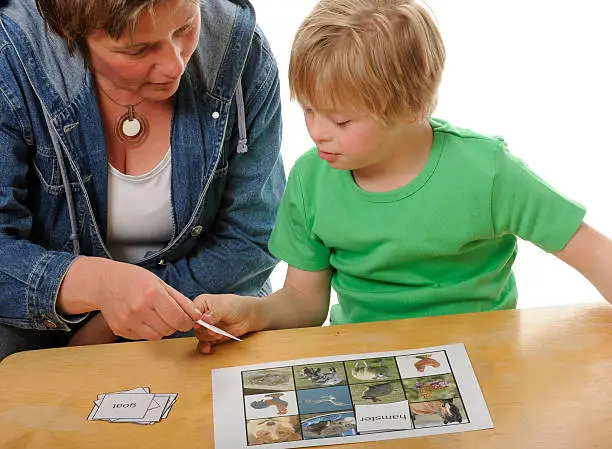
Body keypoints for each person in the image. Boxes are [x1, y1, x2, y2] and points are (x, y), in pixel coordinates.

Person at [194, 0, 612, 354]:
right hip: (371, 371)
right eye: (308, 109)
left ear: (412, 108)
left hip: (485, 361)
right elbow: (305, 302)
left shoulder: (487, 171)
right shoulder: (311, 178)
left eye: (341, 119)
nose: (318, 131)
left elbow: (594, 253)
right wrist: (253, 312)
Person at [0, 0, 285, 360]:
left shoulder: (240, 51)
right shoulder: (11, 58)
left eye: (185, 27)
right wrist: (98, 285)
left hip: (204, 307)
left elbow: (253, 236)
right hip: (44, 326)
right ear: (69, 34)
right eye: (137, 49)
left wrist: (109, 323)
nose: (174, 64)